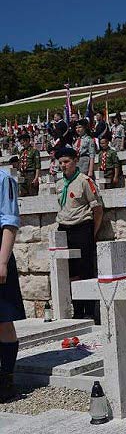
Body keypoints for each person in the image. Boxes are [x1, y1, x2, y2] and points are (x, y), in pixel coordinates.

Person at [55, 146, 104, 320]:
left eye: (67, 162)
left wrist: (92, 233)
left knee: (85, 271)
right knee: (71, 273)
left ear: (75, 161)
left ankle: (89, 311)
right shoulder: (59, 183)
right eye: (60, 162)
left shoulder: (84, 181)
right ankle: (77, 310)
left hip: (81, 228)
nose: (63, 165)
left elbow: (97, 209)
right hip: (64, 229)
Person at [0, 169, 26, 401]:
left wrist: (2, 261)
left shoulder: (3, 179)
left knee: (3, 319)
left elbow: (9, 223)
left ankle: (6, 379)